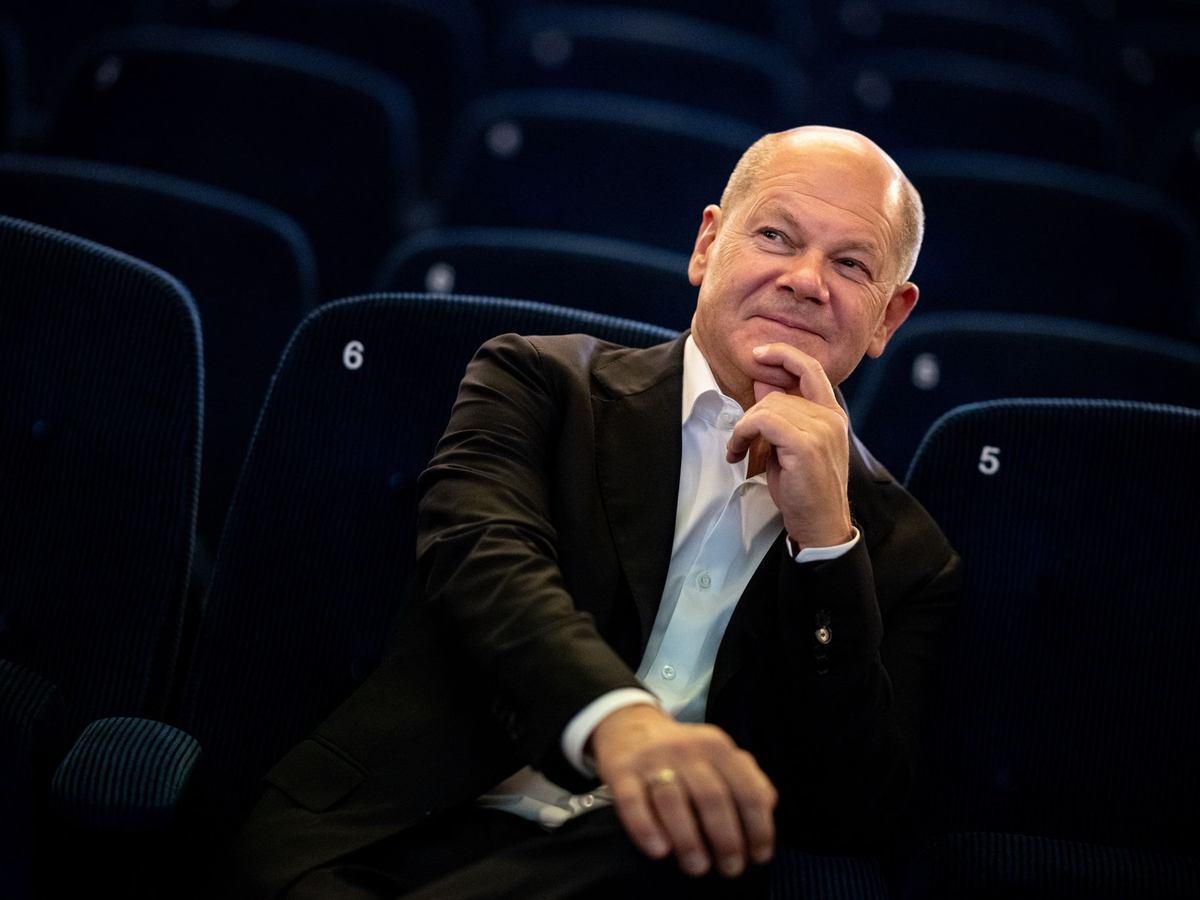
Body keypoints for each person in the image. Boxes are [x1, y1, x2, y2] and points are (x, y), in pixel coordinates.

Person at [216, 126, 961, 899]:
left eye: (850, 264)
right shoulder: (536, 381)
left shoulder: (907, 554)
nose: (806, 281)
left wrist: (825, 548)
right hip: (388, 836)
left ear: (888, 317)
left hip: (635, 870)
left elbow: (849, 808)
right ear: (708, 245)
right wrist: (621, 722)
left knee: (678, 837)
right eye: (776, 236)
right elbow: (484, 567)